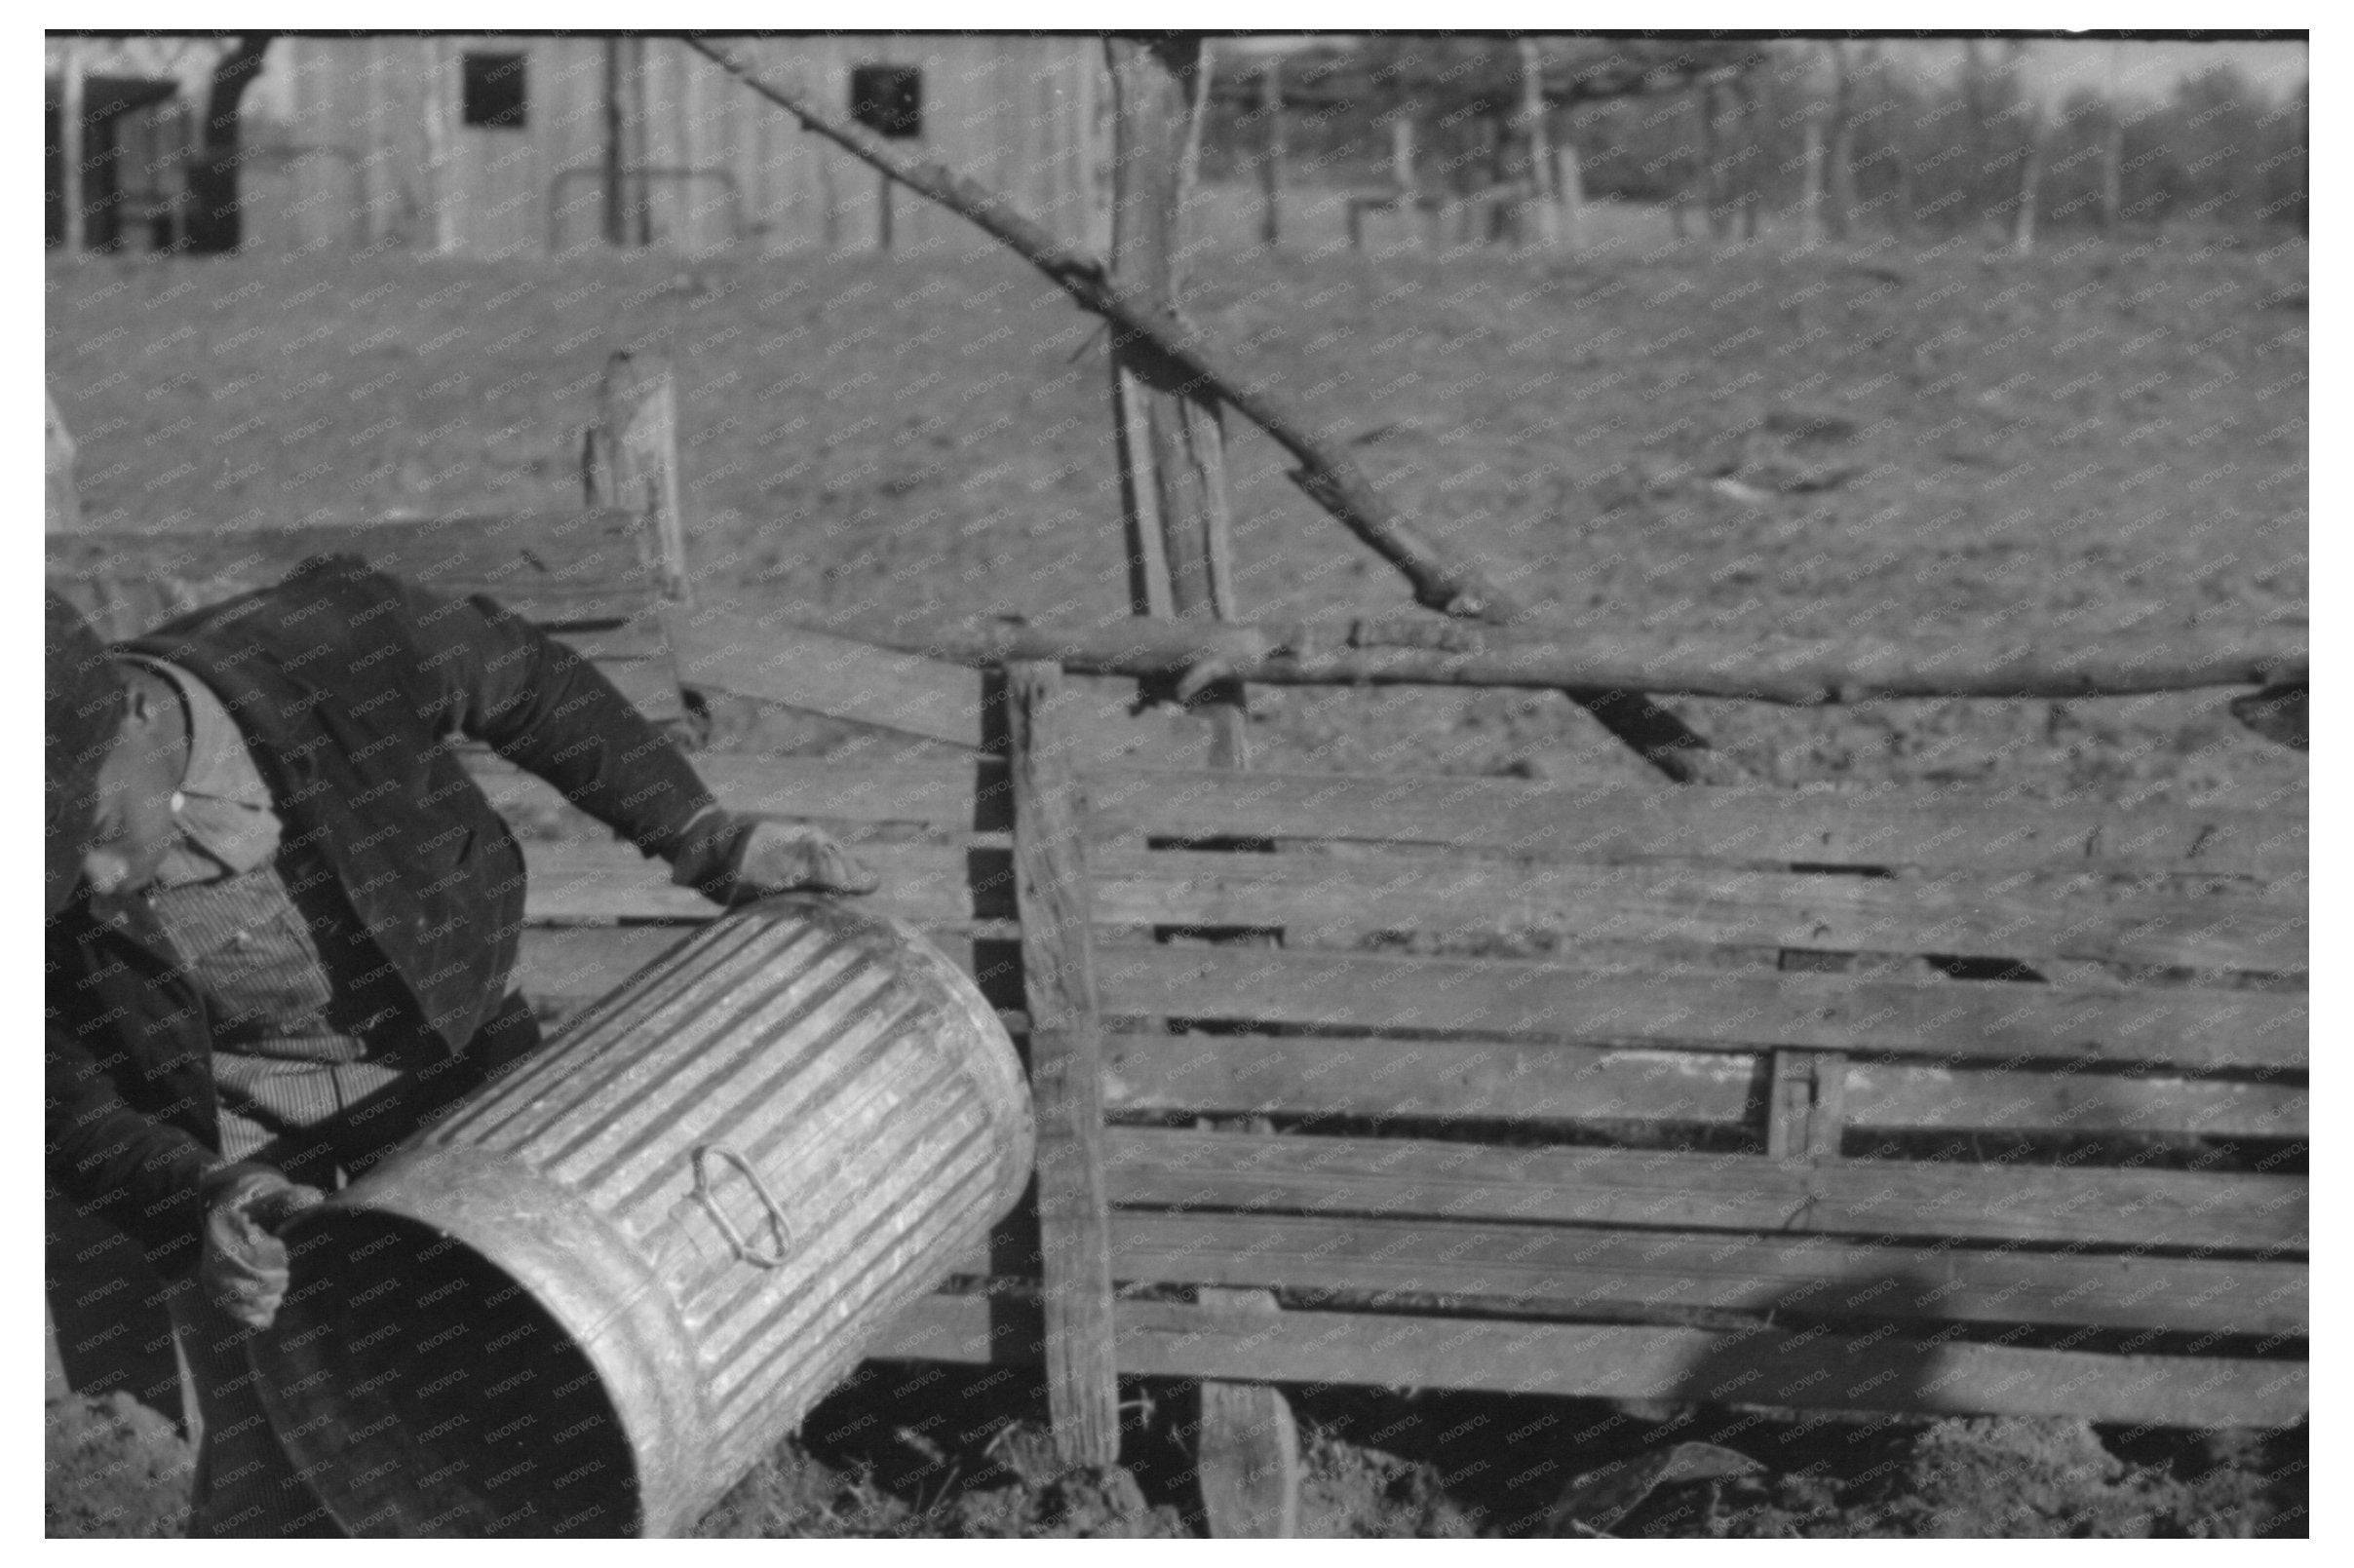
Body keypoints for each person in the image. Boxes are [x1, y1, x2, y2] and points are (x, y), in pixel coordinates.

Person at [45, 559, 877, 1536]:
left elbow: (526, 679)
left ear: (138, 713)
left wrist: (704, 833)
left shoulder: (332, 644)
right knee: (278, 1473)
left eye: (96, 828)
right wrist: (208, 1202)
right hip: (230, 1149)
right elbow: (65, 1104)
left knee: (517, 1414)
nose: (92, 879)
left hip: (456, 1072)